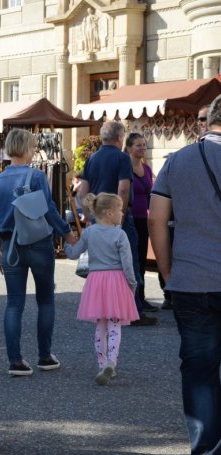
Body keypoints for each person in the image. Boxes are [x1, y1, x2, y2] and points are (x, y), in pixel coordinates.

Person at [149, 94, 221, 455]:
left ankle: (206, 452)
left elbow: (156, 218)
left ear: (209, 121)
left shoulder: (177, 161)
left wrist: (166, 271)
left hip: (193, 280)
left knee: (199, 372)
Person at [0, 129, 76, 376]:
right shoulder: (36, 176)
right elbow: (48, 208)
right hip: (38, 243)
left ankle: (15, 361)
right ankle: (44, 356)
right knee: (45, 300)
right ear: (27, 149)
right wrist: (67, 232)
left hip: (10, 245)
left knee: (14, 304)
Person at [80, 121, 157, 326]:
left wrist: (88, 215)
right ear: (119, 138)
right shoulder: (122, 158)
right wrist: (120, 218)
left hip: (98, 216)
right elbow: (123, 188)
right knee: (128, 262)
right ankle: (133, 311)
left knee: (105, 265)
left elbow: (83, 191)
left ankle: (107, 309)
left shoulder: (92, 158)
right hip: (118, 215)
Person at [64, 193, 139, 385]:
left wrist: (66, 241)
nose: (122, 213)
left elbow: (73, 254)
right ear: (109, 212)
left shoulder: (89, 232)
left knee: (100, 326)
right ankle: (112, 363)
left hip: (95, 282)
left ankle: (101, 363)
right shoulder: (120, 234)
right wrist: (132, 285)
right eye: (120, 210)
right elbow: (128, 265)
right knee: (115, 325)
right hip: (116, 282)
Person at [125, 132, 158, 312]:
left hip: (142, 219)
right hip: (128, 218)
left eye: (144, 145)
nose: (142, 148)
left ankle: (141, 297)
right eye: (138, 145)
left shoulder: (146, 168)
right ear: (129, 148)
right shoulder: (125, 167)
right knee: (130, 260)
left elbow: (150, 193)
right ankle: (131, 299)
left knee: (141, 259)